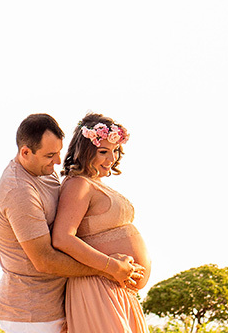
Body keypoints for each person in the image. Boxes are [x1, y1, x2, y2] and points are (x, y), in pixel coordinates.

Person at [0, 113, 144, 333]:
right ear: (25, 152)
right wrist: (109, 268)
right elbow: (45, 260)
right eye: (50, 155)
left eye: (59, 152)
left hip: (55, 304)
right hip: (32, 314)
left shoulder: (43, 172)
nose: (57, 162)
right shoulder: (19, 192)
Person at [52, 113, 151, 333]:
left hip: (117, 290)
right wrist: (111, 266)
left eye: (115, 151)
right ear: (86, 152)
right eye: (103, 152)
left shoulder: (94, 184)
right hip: (97, 289)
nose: (111, 158)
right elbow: (62, 238)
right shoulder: (78, 184)